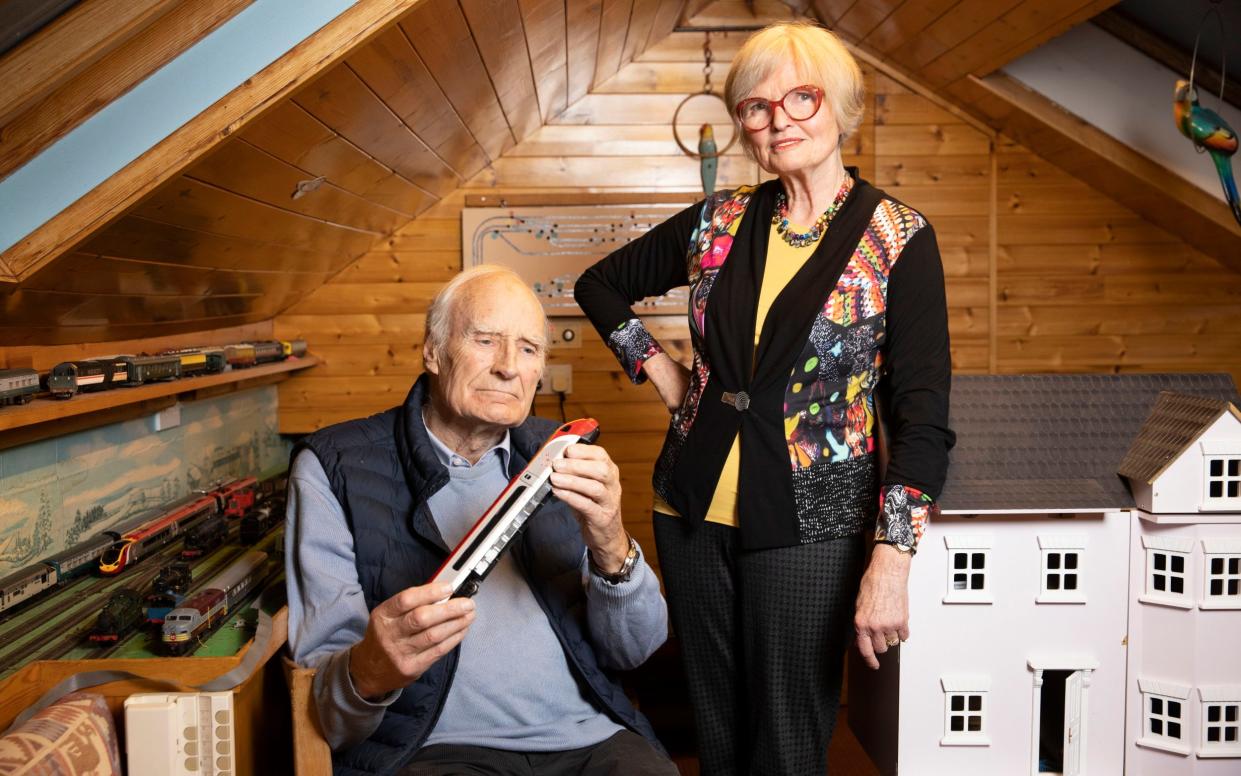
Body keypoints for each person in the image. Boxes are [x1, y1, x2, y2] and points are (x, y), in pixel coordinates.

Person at [574, 21, 955, 776]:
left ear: (840, 108)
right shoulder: (716, 221)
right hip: (688, 512)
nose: (778, 118)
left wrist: (892, 560)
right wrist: (666, 377)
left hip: (813, 525)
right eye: (755, 106)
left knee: (784, 742)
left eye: (800, 97)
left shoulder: (897, 238)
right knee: (717, 735)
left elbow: (922, 420)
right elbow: (600, 285)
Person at [286, 265, 676, 776]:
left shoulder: (561, 453)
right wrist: (371, 668)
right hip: (434, 750)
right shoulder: (333, 466)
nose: (508, 367)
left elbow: (635, 651)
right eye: (486, 340)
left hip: (591, 742)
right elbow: (327, 710)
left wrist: (610, 542)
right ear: (432, 351)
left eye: (529, 349)